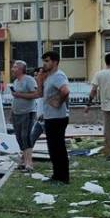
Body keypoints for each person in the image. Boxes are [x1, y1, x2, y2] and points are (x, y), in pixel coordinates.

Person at [40, 51, 71, 184]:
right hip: (50, 117)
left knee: (58, 148)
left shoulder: (58, 76)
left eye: (47, 61)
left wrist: (58, 102)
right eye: (44, 61)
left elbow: (65, 91)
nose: (44, 64)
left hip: (57, 118)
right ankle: (56, 175)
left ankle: (63, 178)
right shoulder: (49, 77)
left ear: (55, 62)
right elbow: (42, 94)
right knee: (53, 148)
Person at [9, 60, 39, 172]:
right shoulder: (15, 81)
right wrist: (11, 112)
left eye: (15, 67)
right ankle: (23, 161)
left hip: (27, 112)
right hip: (16, 113)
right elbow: (15, 98)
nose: (12, 69)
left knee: (25, 136)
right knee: (19, 138)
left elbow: (36, 94)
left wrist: (19, 94)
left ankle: (29, 163)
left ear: (21, 69)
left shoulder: (29, 80)